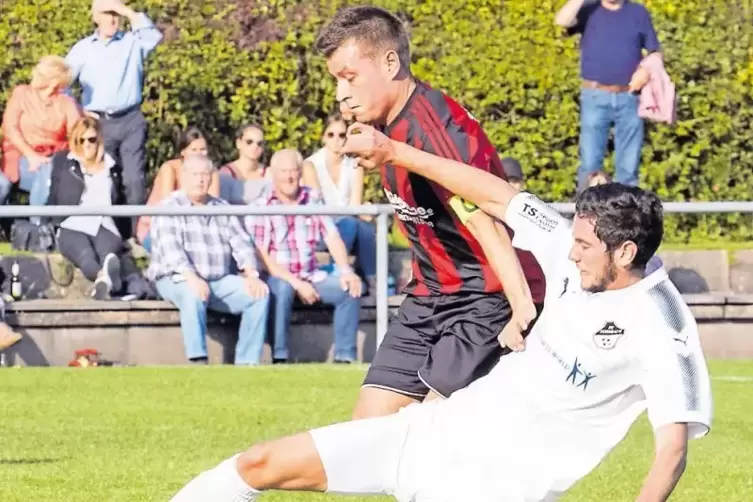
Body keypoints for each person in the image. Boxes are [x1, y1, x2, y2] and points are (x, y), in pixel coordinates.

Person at [170, 127, 712, 502]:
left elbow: (672, 452)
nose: (569, 254)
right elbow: (494, 194)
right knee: (259, 464)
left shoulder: (664, 327)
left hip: (492, 486)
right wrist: (396, 152)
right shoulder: (572, 250)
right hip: (430, 433)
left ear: (624, 254)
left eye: (585, 247)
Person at [315, 6, 546, 420]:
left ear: (390, 63)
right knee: (365, 433)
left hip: (483, 298)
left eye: (349, 77)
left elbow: (486, 221)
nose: (340, 93)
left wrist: (521, 307)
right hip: (428, 297)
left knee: (431, 435)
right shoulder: (383, 126)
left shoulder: (431, 132)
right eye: (336, 80)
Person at [147, 155, 269, 365]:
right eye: (195, 175)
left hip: (218, 280)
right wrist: (192, 278)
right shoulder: (169, 206)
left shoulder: (222, 206)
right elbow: (171, 250)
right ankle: (198, 360)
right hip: (176, 277)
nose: (200, 180)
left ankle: (248, 362)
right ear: (184, 177)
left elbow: (241, 243)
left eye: (205, 174)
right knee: (192, 293)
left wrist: (251, 274)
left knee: (259, 294)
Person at [248, 149, 363, 364]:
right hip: (279, 277)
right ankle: (279, 357)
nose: (289, 177)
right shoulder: (262, 205)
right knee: (282, 289)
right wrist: (297, 284)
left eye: (293, 171)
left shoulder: (312, 198)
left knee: (351, 288)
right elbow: (261, 255)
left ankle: (345, 357)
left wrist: (346, 271)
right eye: (284, 171)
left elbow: (331, 236)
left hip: (311, 275)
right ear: (273, 173)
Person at [65, 0, 163, 232]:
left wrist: (126, 10)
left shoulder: (133, 42)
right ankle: (108, 233)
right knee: (106, 179)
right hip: (99, 123)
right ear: (95, 18)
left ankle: (135, 234)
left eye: (115, 15)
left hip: (130, 119)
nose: (112, 19)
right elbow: (62, 83)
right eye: (107, 14)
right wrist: (79, 111)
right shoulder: (84, 48)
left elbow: (153, 37)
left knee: (134, 180)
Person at [555, 0, 660, 190]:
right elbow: (561, 22)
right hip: (595, 95)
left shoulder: (638, 13)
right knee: (589, 166)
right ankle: (586, 216)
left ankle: (626, 217)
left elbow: (654, 52)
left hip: (629, 96)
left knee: (628, 170)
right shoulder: (589, 10)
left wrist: (645, 72)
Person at [46, 117, 132, 299]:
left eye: (91, 139)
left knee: (108, 255)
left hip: (105, 222)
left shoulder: (112, 166)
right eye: (81, 140)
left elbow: (121, 200)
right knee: (85, 255)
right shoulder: (63, 162)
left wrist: (128, 234)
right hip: (72, 222)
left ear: (99, 139)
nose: (87, 145)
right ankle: (103, 278)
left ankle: (104, 280)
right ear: (74, 141)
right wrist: (49, 224)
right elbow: (54, 196)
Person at [0, 56, 81, 218]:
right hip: (19, 156)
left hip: (51, 159)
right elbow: (10, 127)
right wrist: (31, 156)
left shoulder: (66, 104)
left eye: (40, 74)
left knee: (48, 171)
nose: (34, 75)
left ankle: (37, 229)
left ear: (53, 82)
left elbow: (77, 135)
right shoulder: (22, 94)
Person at [302, 112, 377, 290]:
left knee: (361, 227)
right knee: (357, 225)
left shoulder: (354, 165)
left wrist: (362, 212)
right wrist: (358, 212)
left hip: (346, 224)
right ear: (323, 137)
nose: (336, 139)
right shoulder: (311, 165)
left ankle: (374, 282)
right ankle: (368, 280)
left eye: (342, 134)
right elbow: (317, 208)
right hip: (320, 228)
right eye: (331, 134)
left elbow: (354, 205)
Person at [135, 127, 220, 252]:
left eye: (202, 149)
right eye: (194, 150)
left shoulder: (211, 171)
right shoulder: (170, 169)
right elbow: (168, 207)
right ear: (183, 152)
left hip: (199, 230)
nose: (198, 154)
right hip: (161, 228)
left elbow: (213, 206)